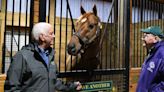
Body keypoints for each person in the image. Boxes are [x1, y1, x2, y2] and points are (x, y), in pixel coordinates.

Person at [4, 22, 82, 92]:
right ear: (42, 37)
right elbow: (12, 88)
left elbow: (54, 82)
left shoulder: (50, 55)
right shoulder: (21, 56)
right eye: (51, 33)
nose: (54, 36)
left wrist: (72, 86)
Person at [136, 26, 164, 92]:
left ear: (155, 39)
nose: (142, 38)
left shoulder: (161, 54)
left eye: (145, 36)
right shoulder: (153, 52)